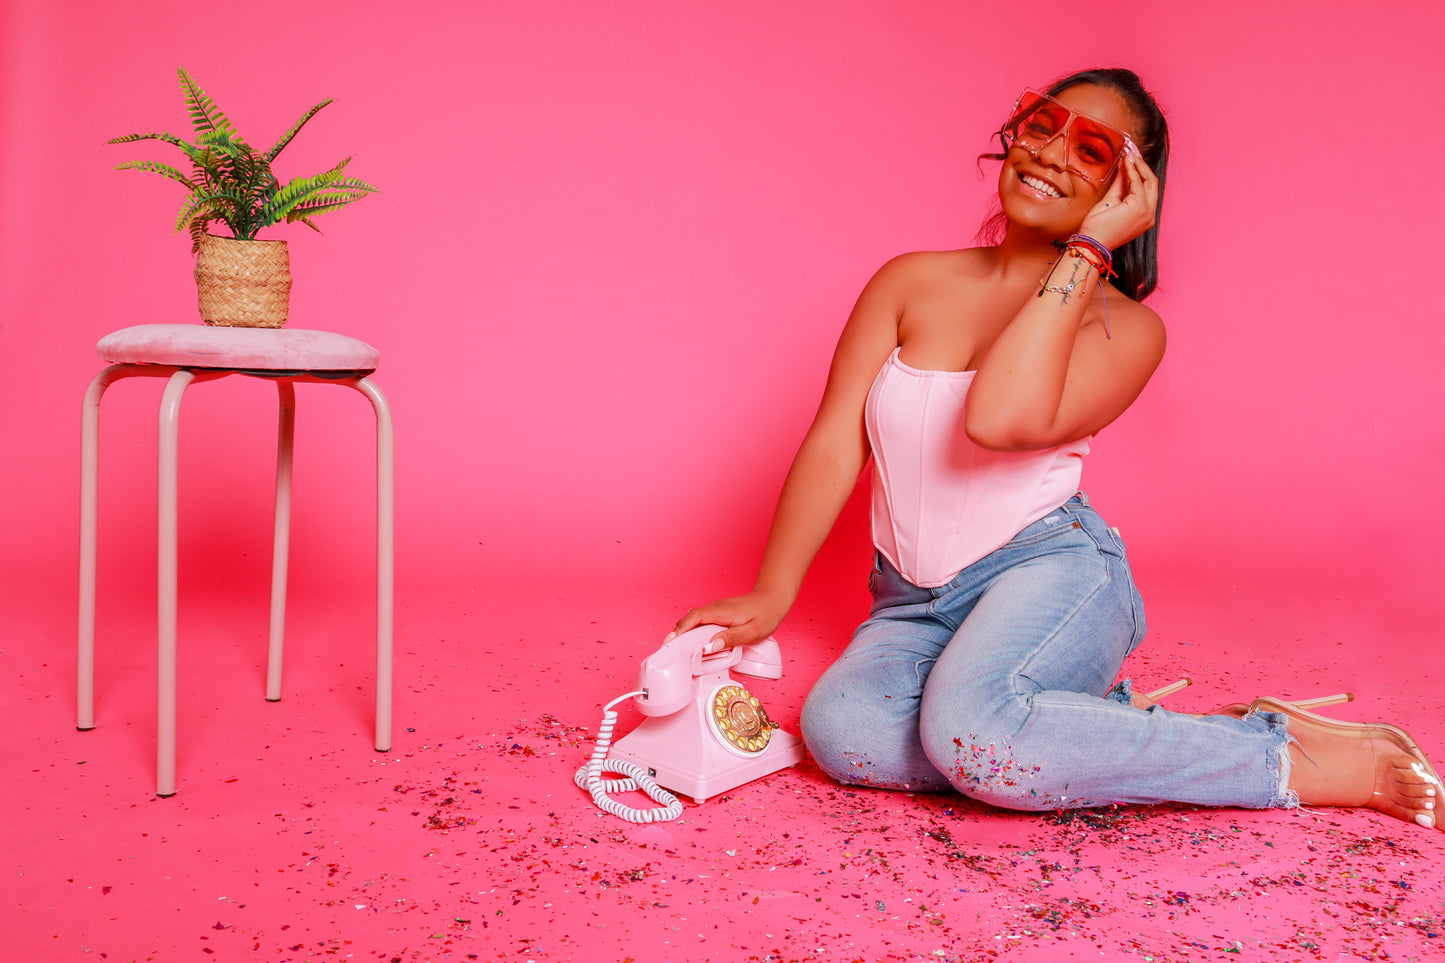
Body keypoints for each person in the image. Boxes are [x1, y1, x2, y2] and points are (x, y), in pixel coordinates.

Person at [671, 68, 1442, 830]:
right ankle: (1071, 728)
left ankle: (1289, 755)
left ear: (1126, 191)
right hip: (908, 597)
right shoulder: (906, 282)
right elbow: (835, 440)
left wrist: (1087, 249)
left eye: (1092, 149)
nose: (1048, 153)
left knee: (977, 736)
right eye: (1042, 127)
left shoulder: (1126, 329)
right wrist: (771, 593)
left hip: (1051, 573)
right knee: (844, 733)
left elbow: (997, 418)